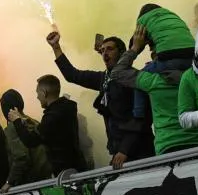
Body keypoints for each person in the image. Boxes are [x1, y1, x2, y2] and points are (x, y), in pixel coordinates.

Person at [48, 29, 154, 169]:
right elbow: (72, 75)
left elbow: (141, 119)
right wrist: (56, 47)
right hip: (119, 153)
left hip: (140, 151)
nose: (105, 53)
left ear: (122, 53)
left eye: (110, 49)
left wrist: (124, 150)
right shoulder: (103, 79)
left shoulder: (134, 78)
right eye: (102, 50)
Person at [111, 5, 198, 155]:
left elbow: (118, 73)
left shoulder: (153, 82)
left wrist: (135, 49)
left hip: (169, 146)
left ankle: (138, 113)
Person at [10, 76, 87, 176]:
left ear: (44, 93)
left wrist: (16, 121)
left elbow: (31, 141)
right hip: (77, 167)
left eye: (38, 93)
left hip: (66, 174)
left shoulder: (52, 117)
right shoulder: (66, 108)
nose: (37, 97)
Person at [0, 89, 52, 192]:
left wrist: (9, 182)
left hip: (29, 186)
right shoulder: (34, 122)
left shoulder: (13, 128)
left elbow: (21, 158)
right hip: (46, 180)